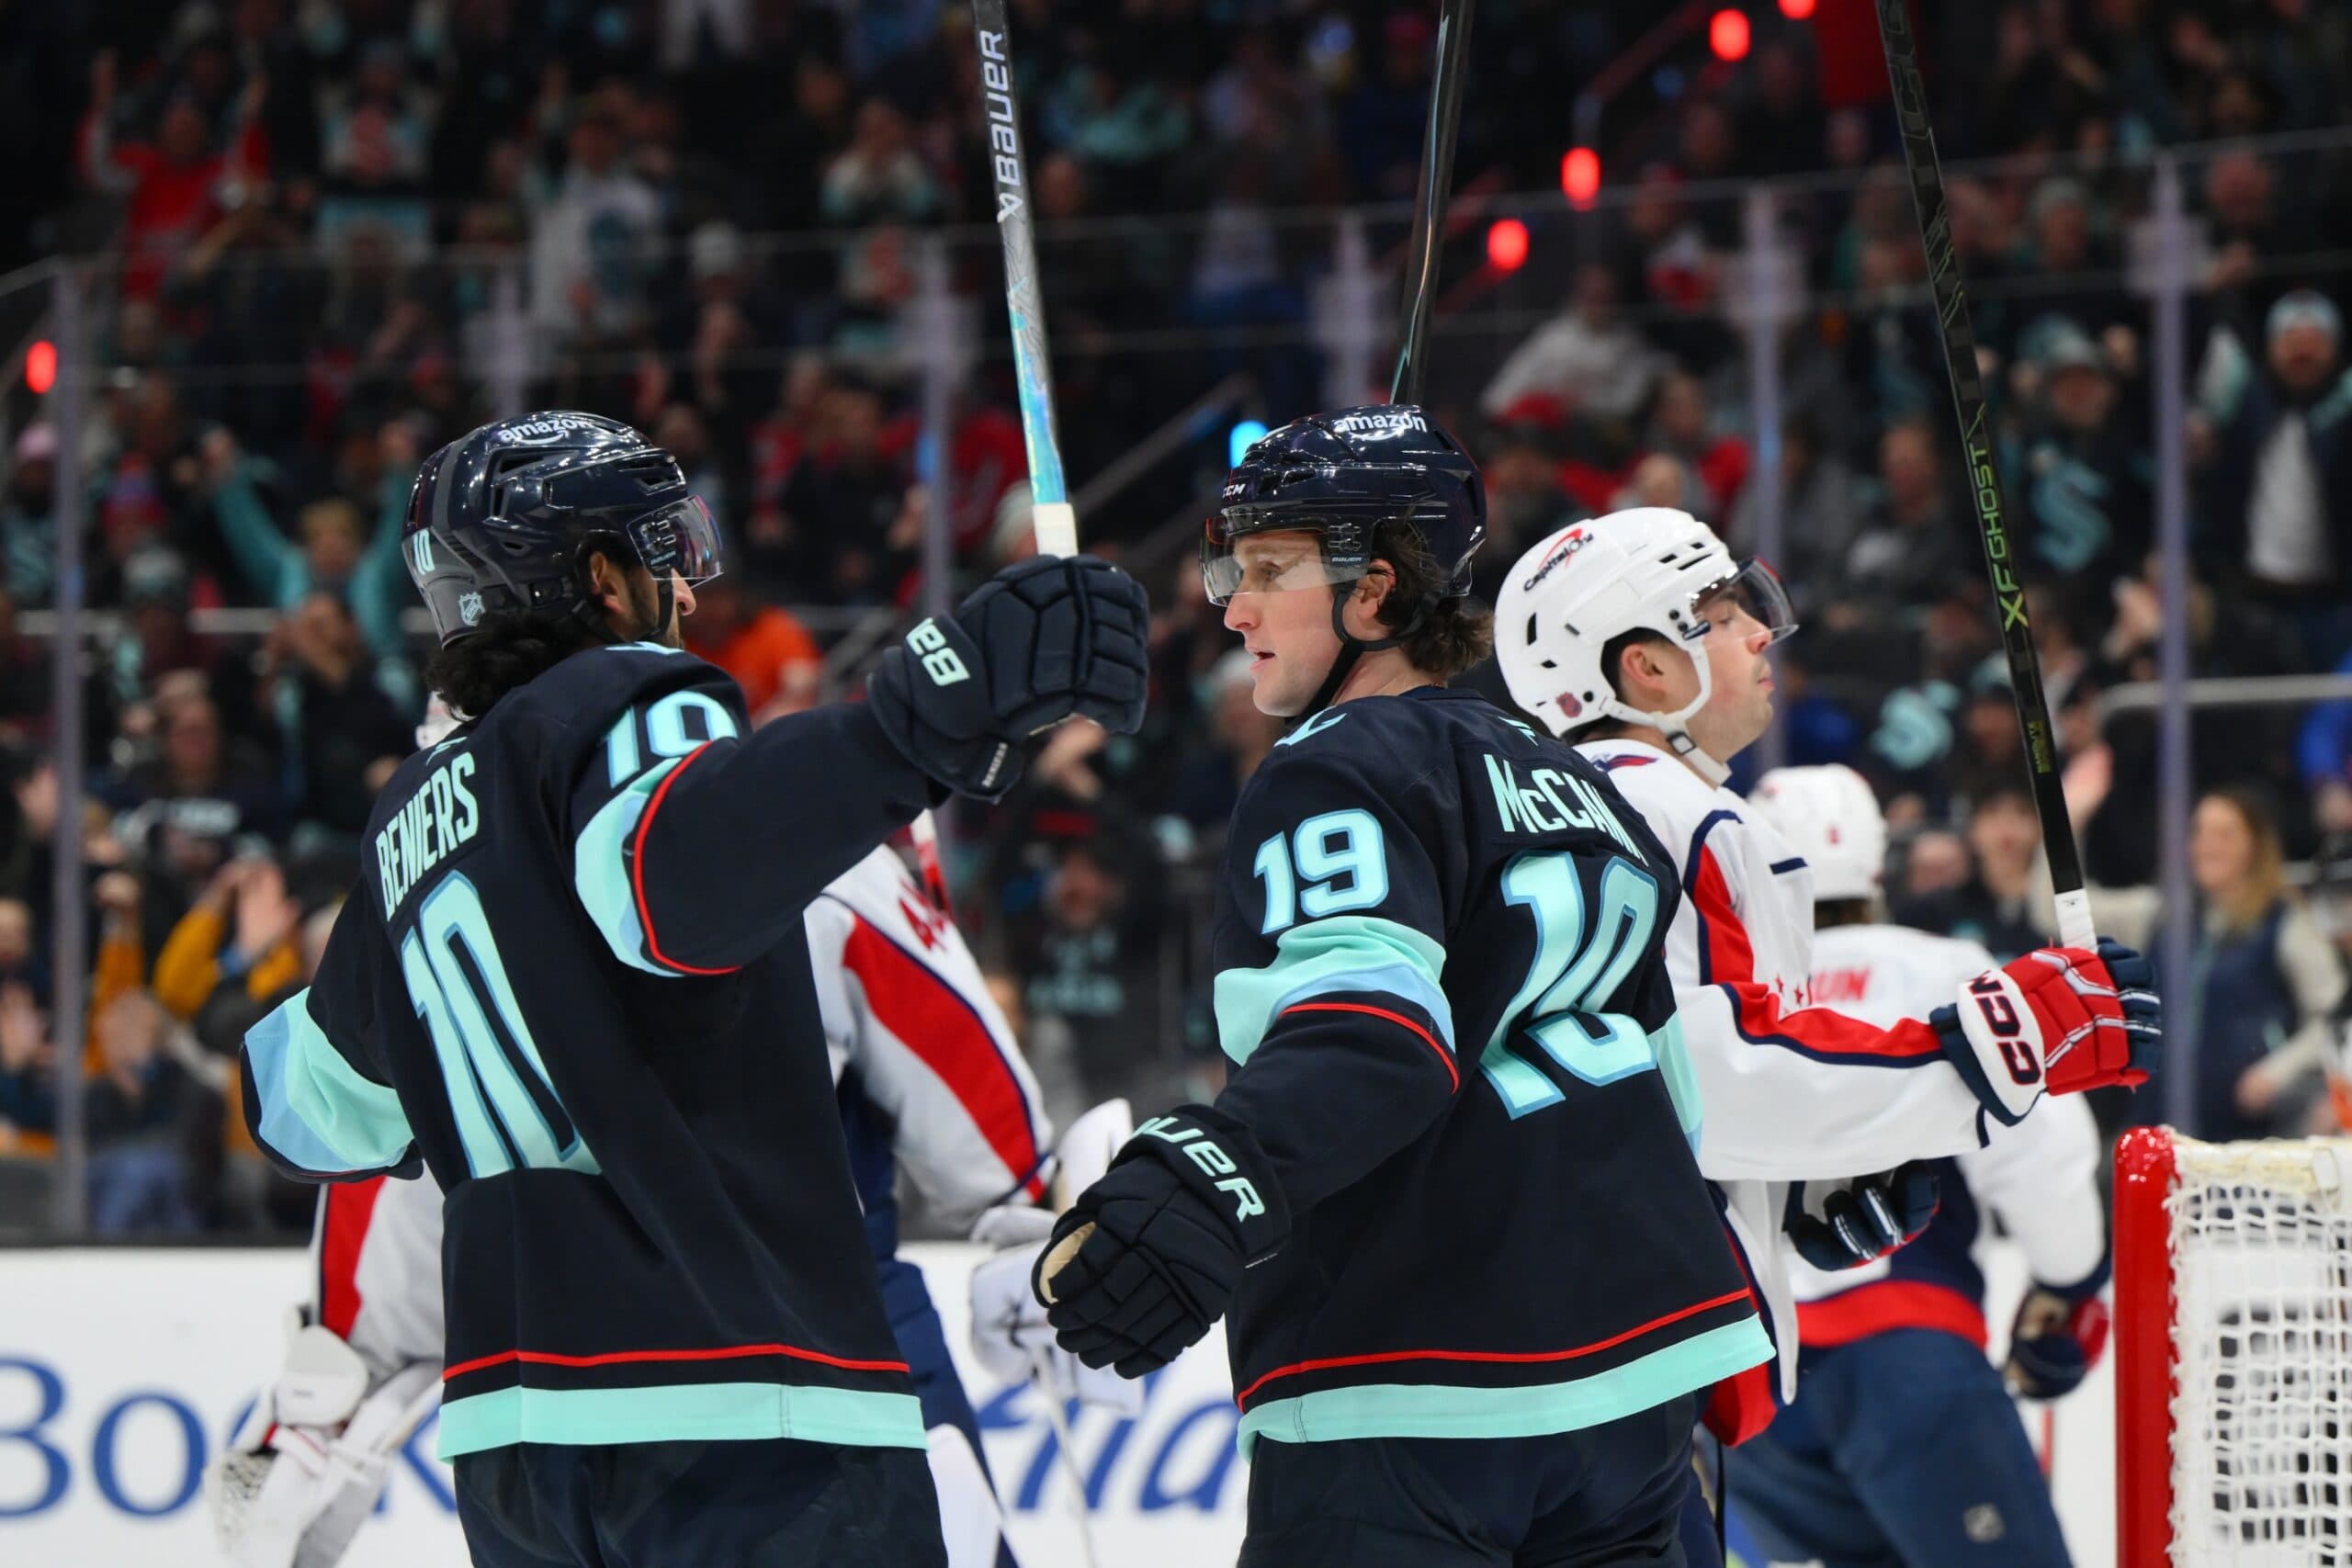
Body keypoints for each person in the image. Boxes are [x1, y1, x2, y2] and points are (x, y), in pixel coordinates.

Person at [234, 409, 1148, 1567]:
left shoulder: (409, 825)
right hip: (746, 1415)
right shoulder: (632, 707)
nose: (682, 588)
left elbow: (311, 1115)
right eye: (661, 552)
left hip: (519, 1457)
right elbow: (674, 883)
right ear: (597, 579)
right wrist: (920, 717)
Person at [1039, 406, 1774, 1567]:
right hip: (1640, 1378)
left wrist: (1207, 1179)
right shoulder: (1580, 784)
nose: (1233, 608)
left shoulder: (1335, 766)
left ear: (1373, 592)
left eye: (1267, 569)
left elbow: (1372, 1033)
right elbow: (1672, 1093)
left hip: (1417, 1373)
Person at [1487, 510, 2155, 1478]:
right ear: (1646, 667)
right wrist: (2003, 1044)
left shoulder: (1535, 804)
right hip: (1620, 1362)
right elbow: (1699, 1073)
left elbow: (1623, 1087)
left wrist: (1794, 1186)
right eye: (1721, 614)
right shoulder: (1676, 810)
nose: (1760, 632)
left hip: (1548, 1333)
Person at [210, 841, 1056, 1568]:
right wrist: (1028, 1208)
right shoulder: (791, 835)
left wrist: (336, 1381)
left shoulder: (442, 863)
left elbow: (397, 1133)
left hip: (598, 1365)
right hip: (767, 1344)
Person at [1726, 764, 2109, 1568]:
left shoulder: (1725, 998)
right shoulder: (1942, 969)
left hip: (1752, 1392)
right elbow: (2041, 1153)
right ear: (1878, 863)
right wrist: (2067, 1285)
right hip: (1906, 1359)